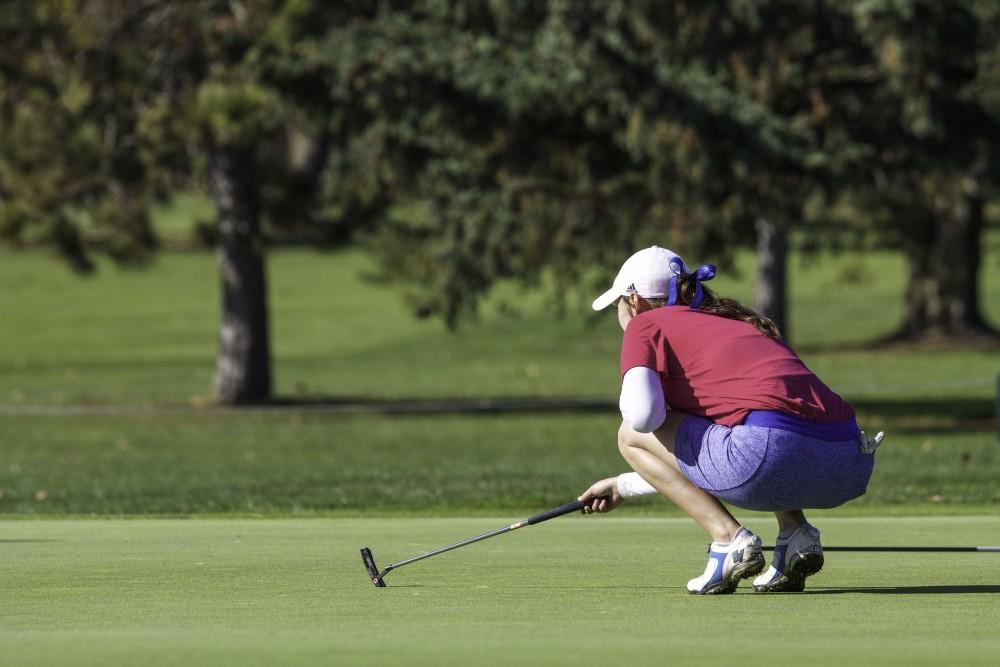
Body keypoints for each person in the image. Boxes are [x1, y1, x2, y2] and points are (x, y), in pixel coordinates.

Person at [578, 246, 881, 595]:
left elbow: (643, 418)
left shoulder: (645, 323)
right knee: (759, 420)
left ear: (634, 301)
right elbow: (704, 455)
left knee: (629, 433)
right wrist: (625, 485)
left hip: (768, 458)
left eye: (617, 306)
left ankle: (728, 540)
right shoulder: (731, 322)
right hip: (848, 464)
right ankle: (796, 534)